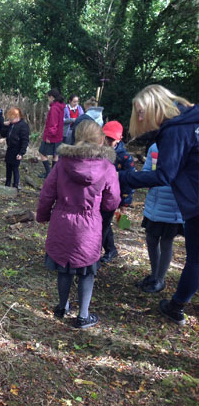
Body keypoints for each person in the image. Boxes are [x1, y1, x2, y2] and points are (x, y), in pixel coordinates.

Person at [119, 85, 199, 325]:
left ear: (155, 106)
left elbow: (164, 175)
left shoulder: (175, 129)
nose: (140, 118)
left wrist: (122, 178)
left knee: (195, 259)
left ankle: (176, 306)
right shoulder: (190, 118)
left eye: (141, 112)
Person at [36, 120, 121, 329]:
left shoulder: (62, 163)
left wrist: (42, 215)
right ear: (101, 140)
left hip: (62, 222)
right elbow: (112, 201)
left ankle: (62, 307)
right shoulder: (107, 167)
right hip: (89, 225)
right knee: (87, 270)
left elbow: (47, 193)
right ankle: (83, 316)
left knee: (63, 266)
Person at [136, 143, 184, 293]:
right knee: (151, 239)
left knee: (166, 241)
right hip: (154, 204)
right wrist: (146, 179)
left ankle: (160, 280)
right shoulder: (155, 147)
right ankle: (154, 275)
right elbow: (147, 171)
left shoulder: (184, 146)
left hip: (172, 206)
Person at [100, 121, 135, 263]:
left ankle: (97, 253)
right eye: (106, 138)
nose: (108, 142)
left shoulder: (125, 157)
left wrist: (125, 202)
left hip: (114, 196)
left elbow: (130, 181)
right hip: (99, 194)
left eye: (111, 139)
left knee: (103, 225)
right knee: (102, 223)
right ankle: (111, 250)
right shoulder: (98, 151)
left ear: (119, 139)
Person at [0, 107, 29, 188]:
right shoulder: (11, 124)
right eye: (10, 119)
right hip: (10, 148)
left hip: (17, 150)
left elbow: (25, 140)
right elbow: (3, 134)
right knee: (8, 167)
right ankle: (7, 184)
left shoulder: (23, 125)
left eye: (12, 118)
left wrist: (21, 153)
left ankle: (15, 185)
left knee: (15, 168)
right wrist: (5, 126)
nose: (10, 120)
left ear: (17, 117)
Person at [39, 88, 65, 178]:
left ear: (52, 97)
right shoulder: (61, 106)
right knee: (55, 154)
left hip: (52, 136)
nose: (48, 99)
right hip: (59, 135)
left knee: (42, 152)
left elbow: (53, 124)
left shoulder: (54, 108)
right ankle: (53, 174)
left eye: (48, 97)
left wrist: (49, 136)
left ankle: (49, 173)